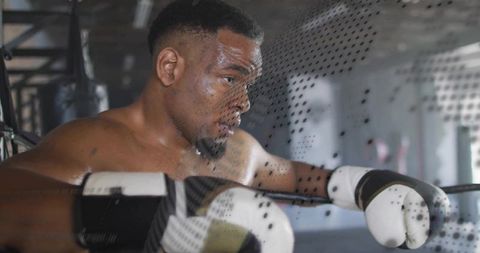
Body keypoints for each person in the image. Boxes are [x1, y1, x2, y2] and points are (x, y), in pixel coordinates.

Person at [0, 0, 451, 252]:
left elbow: (296, 178)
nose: (244, 101)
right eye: (230, 79)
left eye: (249, 84)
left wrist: (366, 185)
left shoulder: (237, 152)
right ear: (171, 67)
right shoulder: (96, 145)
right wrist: (147, 217)